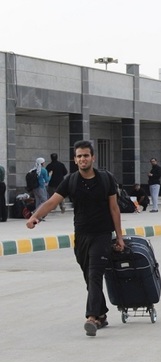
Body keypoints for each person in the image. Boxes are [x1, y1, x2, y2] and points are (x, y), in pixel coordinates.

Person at [26, 140, 125, 337]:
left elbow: (114, 209)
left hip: (102, 234)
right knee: (89, 277)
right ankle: (102, 314)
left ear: (93, 157)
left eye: (86, 155)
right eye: (79, 156)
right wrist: (35, 216)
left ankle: (92, 317)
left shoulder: (106, 179)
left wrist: (119, 237)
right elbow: (52, 202)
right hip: (81, 235)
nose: (82, 159)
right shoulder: (70, 181)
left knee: (95, 273)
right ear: (75, 159)